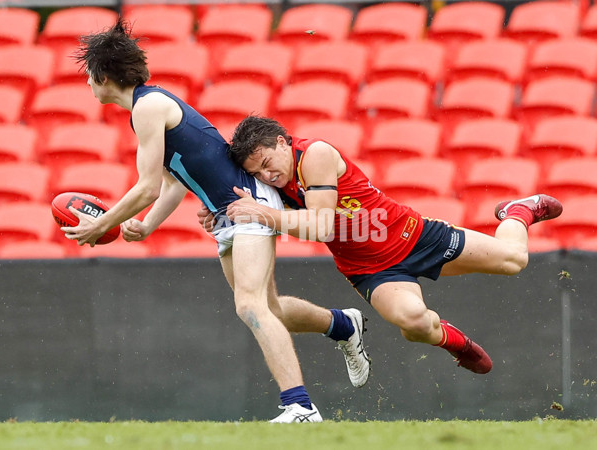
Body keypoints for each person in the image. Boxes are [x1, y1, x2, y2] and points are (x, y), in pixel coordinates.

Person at [61, 19, 370, 423]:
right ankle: (343, 325)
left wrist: (103, 226)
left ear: (103, 76)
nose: (87, 84)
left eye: (89, 76)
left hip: (246, 202)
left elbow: (146, 188)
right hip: (227, 214)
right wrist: (148, 226)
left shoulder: (148, 107)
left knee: (250, 304)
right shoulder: (148, 107)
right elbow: (171, 184)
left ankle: (300, 406)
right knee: (269, 308)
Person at [217, 114, 563, 375]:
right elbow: (246, 210)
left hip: (415, 236)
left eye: (267, 164)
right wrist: (218, 216)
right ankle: (457, 343)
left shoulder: (315, 154)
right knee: (413, 324)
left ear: (282, 141)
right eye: (258, 173)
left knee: (515, 260)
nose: (267, 176)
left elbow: (320, 226)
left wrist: (261, 214)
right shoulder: (272, 186)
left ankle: (517, 212)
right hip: (371, 269)